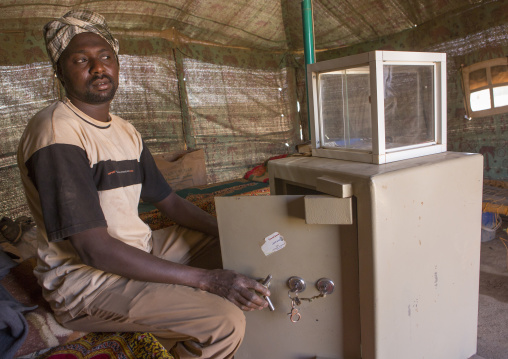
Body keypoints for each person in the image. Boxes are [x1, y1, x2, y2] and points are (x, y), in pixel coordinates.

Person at [17, 10, 270, 359]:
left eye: (105, 56)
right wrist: (207, 280)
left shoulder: (125, 131)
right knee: (223, 321)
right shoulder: (56, 131)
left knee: (242, 250)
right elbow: (94, 250)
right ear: (59, 71)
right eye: (81, 60)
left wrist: (228, 232)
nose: (98, 67)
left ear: (118, 64)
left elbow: (170, 203)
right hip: (87, 284)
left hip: (141, 250)